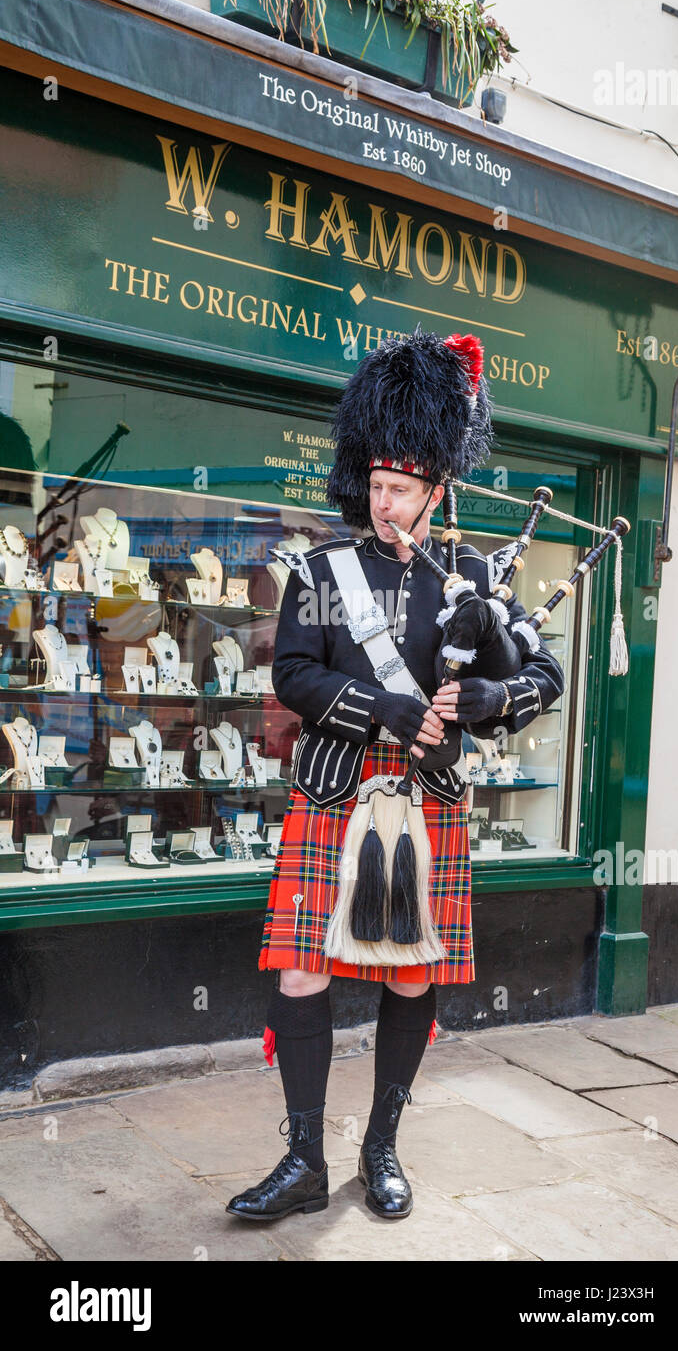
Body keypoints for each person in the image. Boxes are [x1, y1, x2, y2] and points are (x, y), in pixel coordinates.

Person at [226, 329, 564, 1223]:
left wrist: (490, 694)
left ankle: (381, 1149)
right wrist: (382, 709)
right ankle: (303, 1160)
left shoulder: (476, 578)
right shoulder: (320, 572)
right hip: (335, 790)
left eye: (401, 489)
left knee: (411, 977)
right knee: (301, 973)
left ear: (435, 490)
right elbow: (292, 674)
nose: (383, 502)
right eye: (375, 485)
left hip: (431, 802)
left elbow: (545, 676)